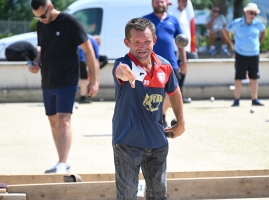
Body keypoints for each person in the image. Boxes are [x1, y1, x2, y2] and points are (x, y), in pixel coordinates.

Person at [112, 17, 185, 199]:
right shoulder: (124, 64)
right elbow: (120, 71)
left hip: (157, 144)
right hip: (127, 144)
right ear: (127, 43)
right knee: (127, 197)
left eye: (147, 41)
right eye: (136, 42)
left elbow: (174, 92)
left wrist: (181, 122)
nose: (142, 46)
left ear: (155, 41)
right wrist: (127, 75)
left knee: (159, 197)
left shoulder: (165, 66)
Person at [29, 0, 99, 173]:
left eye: (43, 15)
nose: (41, 19)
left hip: (67, 80)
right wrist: (36, 63)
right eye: (36, 17)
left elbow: (89, 51)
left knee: (63, 120)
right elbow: (42, 49)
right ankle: (63, 162)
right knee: (53, 121)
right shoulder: (41, 24)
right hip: (47, 80)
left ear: (51, 7)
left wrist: (94, 80)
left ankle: (62, 162)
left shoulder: (71, 22)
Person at [144, 0, 187, 128]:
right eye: (156, 1)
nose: (159, 4)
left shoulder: (173, 20)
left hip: (170, 64)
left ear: (166, 3)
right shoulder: (145, 21)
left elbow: (181, 42)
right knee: (151, 95)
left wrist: (184, 61)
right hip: (150, 64)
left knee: (172, 92)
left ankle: (161, 114)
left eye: (161, 1)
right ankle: (153, 120)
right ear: (152, 3)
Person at [223, 3, 266, 107]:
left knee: (254, 77)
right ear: (246, 12)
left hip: (254, 54)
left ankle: (254, 99)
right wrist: (231, 43)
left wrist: (259, 43)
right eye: (251, 13)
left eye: (255, 14)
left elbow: (264, 31)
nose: (253, 15)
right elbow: (225, 30)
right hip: (241, 54)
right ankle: (236, 100)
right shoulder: (237, 23)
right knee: (239, 77)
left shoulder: (258, 23)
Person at [169, 0, 193, 104]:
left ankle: (180, 95)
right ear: (178, 2)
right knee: (177, 73)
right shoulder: (175, 14)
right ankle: (174, 97)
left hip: (185, 48)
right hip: (177, 48)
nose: (184, 3)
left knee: (183, 72)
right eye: (182, 1)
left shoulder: (184, 13)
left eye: (186, 1)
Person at [78, 34, 100, 104]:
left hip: (73, 58)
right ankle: (83, 97)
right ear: (98, 41)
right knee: (83, 78)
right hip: (81, 59)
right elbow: (95, 61)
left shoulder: (85, 36)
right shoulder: (94, 43)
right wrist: (95, 79)